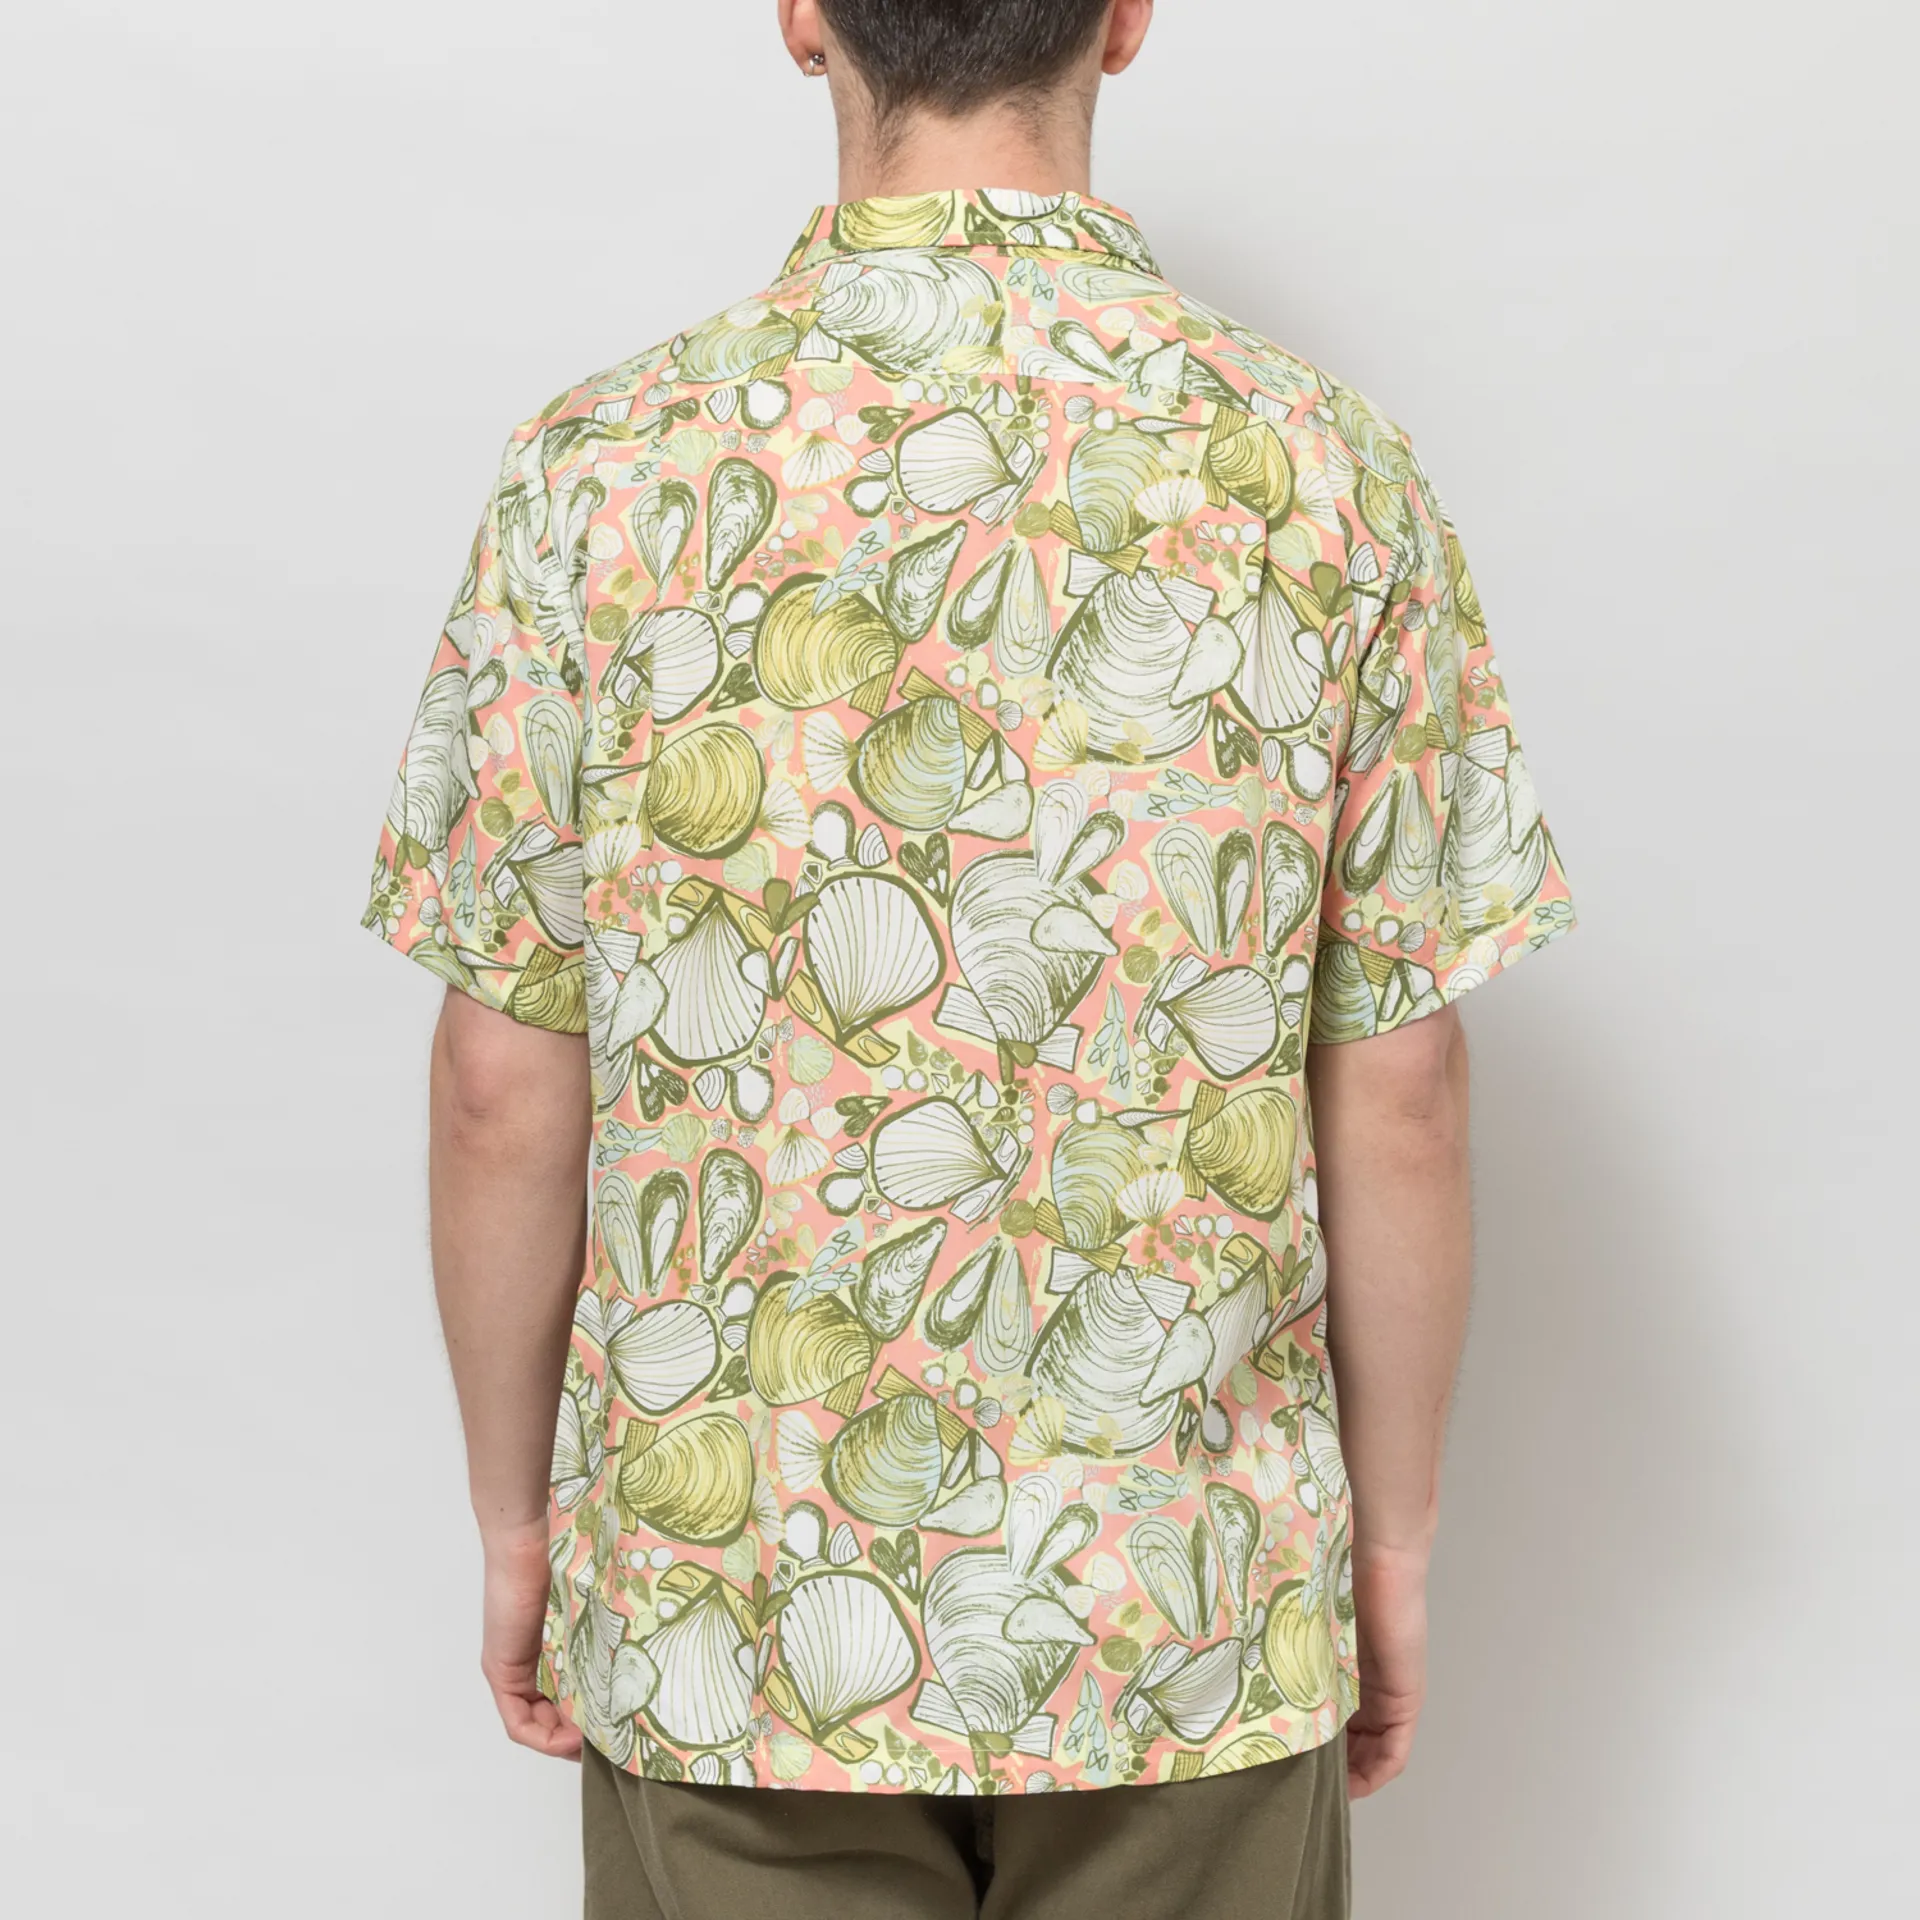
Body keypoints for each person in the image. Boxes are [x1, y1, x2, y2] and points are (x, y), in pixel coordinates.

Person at [360, 2, 1576, 1912]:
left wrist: (521, 1523)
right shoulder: (1324, 469)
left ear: (802, 18)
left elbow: (498, 1088)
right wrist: (1392, 1551)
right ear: (1125, 20)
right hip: (1186, 1612)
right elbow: (1402, 1089)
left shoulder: (602, 472)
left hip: (730, 1617)